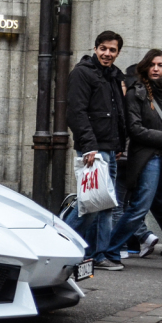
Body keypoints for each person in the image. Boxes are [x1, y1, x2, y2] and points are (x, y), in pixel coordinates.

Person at [99, 50, 162, 272]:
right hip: (148, 158)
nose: (156, 68)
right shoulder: (136, 92)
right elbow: (135, 129)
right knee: (139, 208)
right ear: (145, 67)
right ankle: (110, 250)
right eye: (152, 64)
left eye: (160, 65)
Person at [64, 30, 129, 268]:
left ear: (118, 53)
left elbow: (116, 114)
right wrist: (90, 146)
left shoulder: (113, 76)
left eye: (112, 50)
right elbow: (76, 112)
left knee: (105, 205)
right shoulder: (82, 73)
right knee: (91, 204)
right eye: (103, 48)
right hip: (93, 150)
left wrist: (118, 145)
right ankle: (60, 244)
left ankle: (98, 256)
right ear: (95, 49)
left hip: (109, 149)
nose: (107, 53)